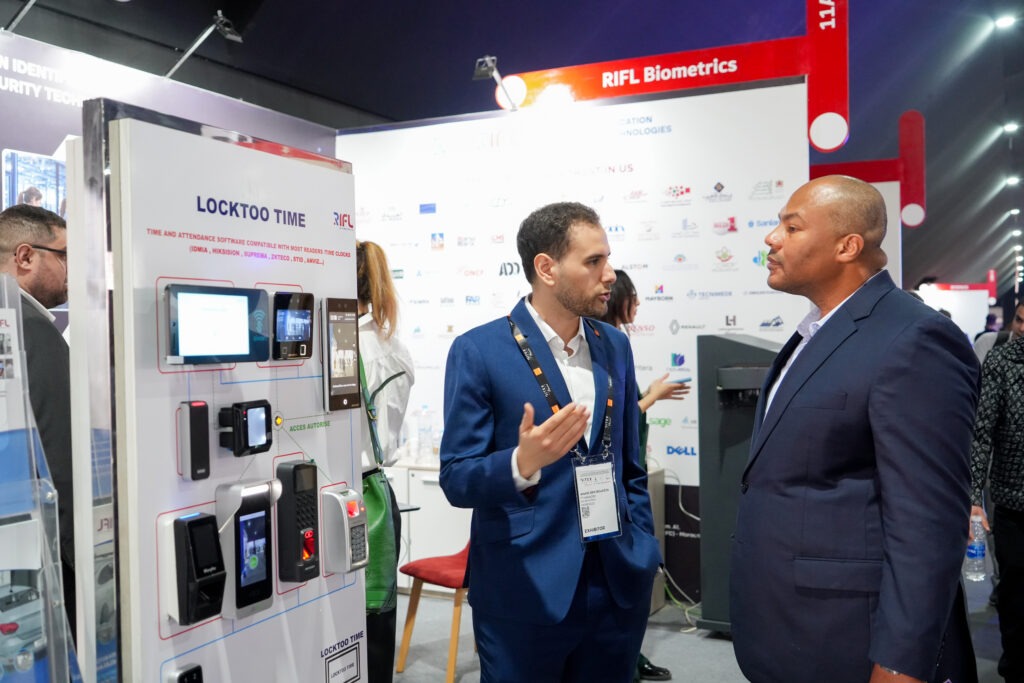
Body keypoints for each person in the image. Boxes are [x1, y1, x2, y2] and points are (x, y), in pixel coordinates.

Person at [729, 175, 979, 683]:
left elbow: (928, 523)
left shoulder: (914, 338)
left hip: (851, 638)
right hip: (790, 627)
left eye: (792, 227)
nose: (771, 239)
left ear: (847, 247)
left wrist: (900, 663)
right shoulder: (817, 332)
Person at [439, 202, 661, 682]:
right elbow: (456, 478)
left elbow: (630, 464)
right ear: (546, 268)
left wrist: (643, 547)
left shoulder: (614, 345)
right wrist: (521, 463)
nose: (610, 274)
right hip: (524, 587)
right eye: (593, 261)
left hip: (617, 581)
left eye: (608, 259)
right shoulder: (479, 350)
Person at [600, 268, 689, 682]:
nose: (637, 304)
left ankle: (629, 658)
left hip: (627, 478)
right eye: (633, 296)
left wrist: (648, 393)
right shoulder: (600, 342)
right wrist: (652, 396)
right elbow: (610, 422)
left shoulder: (616, 344)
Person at [0, 205, 74, 634]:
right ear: (25, 256)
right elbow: (60, 460)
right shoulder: (33, 332)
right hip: (42, 564)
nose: (71, 271)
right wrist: (84, 562)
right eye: (64, 256)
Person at [355, 240, 415, 683]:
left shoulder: (343, 347)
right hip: (377, 492)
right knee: (375, 628)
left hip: (356, 498)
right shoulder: (394, 348)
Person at [968, 307, 1024, 683]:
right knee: (1016, 593)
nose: (1023, 328)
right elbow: (982, 431)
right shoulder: (1002, 361)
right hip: (1012, 502)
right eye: (1020, 319)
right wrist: (974, 498)